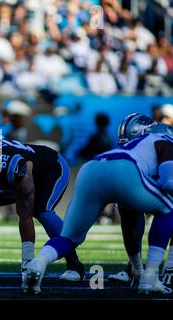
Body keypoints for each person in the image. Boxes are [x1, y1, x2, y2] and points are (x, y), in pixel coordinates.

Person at [23, 114, 173, 295]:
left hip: (91, 168)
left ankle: (39, 262)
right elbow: (168, 181)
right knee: (168, 208)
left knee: (69, 238)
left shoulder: (135, 145)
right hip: (126, 169)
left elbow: (130, 219)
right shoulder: (164, 139)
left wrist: (136, 268)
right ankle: (151, 276)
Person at [0, 130, 84, 281]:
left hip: (49, 169)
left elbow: (25, 215)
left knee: (41, 211)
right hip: (13, 177)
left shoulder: (13, 165)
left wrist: (27, 261)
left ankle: (75, 265)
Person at [108, 117, 173, 289]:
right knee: (128, 210)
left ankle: (171, 266)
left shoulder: (165, 144)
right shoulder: (135, 153)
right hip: (148, 177)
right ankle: (134, 267)